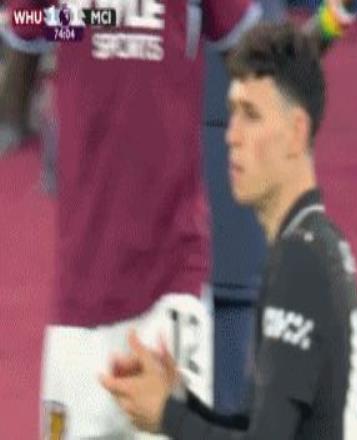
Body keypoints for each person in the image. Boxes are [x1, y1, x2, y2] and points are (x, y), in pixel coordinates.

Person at [102, 22, 357, 439]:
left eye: (251, 115)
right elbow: (258, 425)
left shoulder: (299, 263)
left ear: (296, 132)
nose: (231, 136)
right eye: (231, 112)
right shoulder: (313, 243)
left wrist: (168, 416)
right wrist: (178, 401)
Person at [1, 1, 262, 438]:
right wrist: (83, 21)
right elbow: (25, 29)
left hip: (171, 284)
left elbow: (257, 65)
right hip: (79, 298)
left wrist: (329, 28)